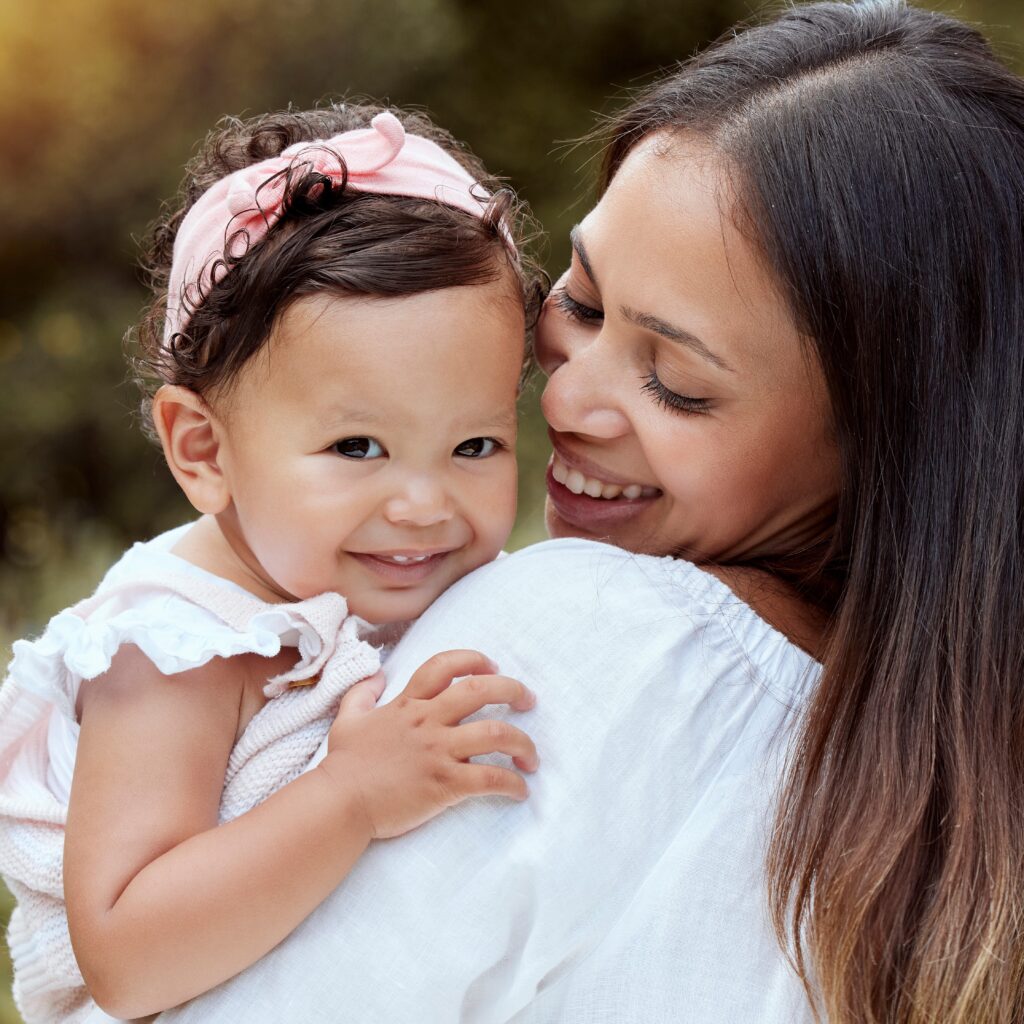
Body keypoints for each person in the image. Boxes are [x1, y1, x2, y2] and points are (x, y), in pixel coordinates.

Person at [149, 2, 1024, 1023]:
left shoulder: (589, 643)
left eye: (679, 384)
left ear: (885, 443)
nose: (560, 399)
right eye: (583, 299)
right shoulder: (947, 802)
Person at [0, 103, 547, 1023]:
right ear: (205, 451)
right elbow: (128, 957)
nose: (425, 504)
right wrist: (352, 795)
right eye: (358, 447)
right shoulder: (177, 647)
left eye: (477, 445)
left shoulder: (358, 583)